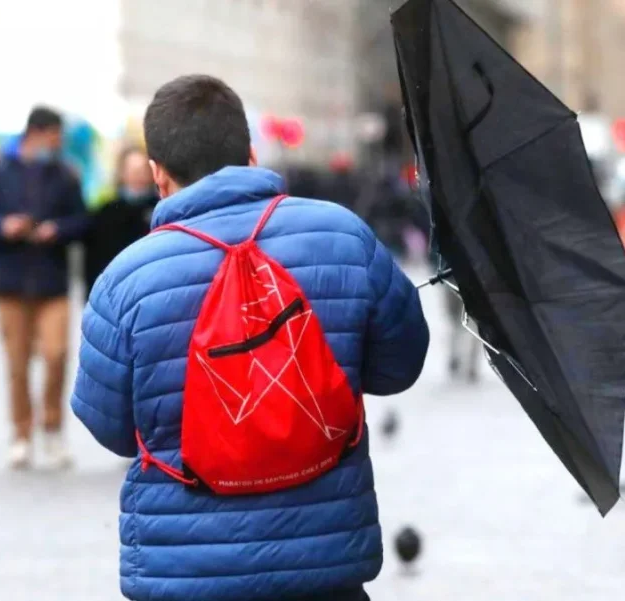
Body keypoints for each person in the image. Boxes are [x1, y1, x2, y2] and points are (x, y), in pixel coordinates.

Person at [71, 75, 429, 601]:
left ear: (157, 175)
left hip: (186, 572)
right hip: (324, 562)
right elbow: (401, 365)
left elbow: (111, 427)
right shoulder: (343, 235)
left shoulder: (126, 279)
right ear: (251, 155)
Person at [0, 106, 89, 470]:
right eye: (55, 135)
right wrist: (2, 225)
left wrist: (58, 230)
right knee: (17, 362)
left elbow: (82, 220)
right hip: (10, 281)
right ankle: (21, 434)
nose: (59, 143)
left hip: (51, 280)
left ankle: (52, 429)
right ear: (37, 132)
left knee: (57, 354)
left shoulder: (65, 175)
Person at [82, 146, 157, 298]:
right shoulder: (106, 212)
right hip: (113, 292)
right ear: (122, 173)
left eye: (142, 170)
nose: (138, 176)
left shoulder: (160, 208)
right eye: (133, 171)